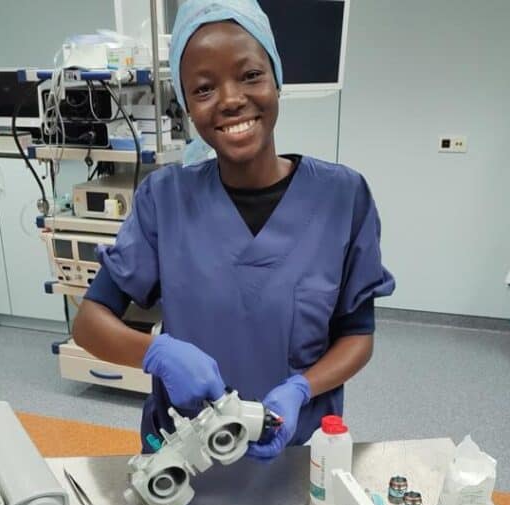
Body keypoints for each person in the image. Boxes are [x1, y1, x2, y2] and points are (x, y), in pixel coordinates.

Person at [73, 0, 395, 460]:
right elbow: (88, 324)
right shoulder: (164, 200)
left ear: (276, 78)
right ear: (186, 105)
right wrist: (156, 353)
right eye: (203, 89)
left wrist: (303, 388)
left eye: (249, 75)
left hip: (291, 444)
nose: (229, 99)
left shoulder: (342, 198)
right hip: (182, 449)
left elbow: (358, 335)